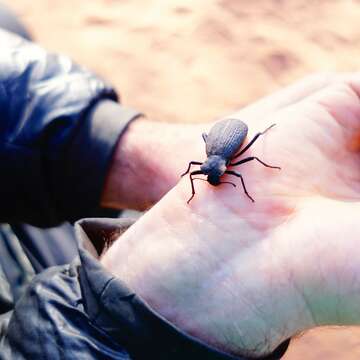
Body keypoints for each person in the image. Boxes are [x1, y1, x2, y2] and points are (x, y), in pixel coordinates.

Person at [1, 5, 360, 360]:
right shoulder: (208, 166)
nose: (215, 179)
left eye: (215, 176)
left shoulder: (225, 162)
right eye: (213, 177)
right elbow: (197, 171)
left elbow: (222, 165)